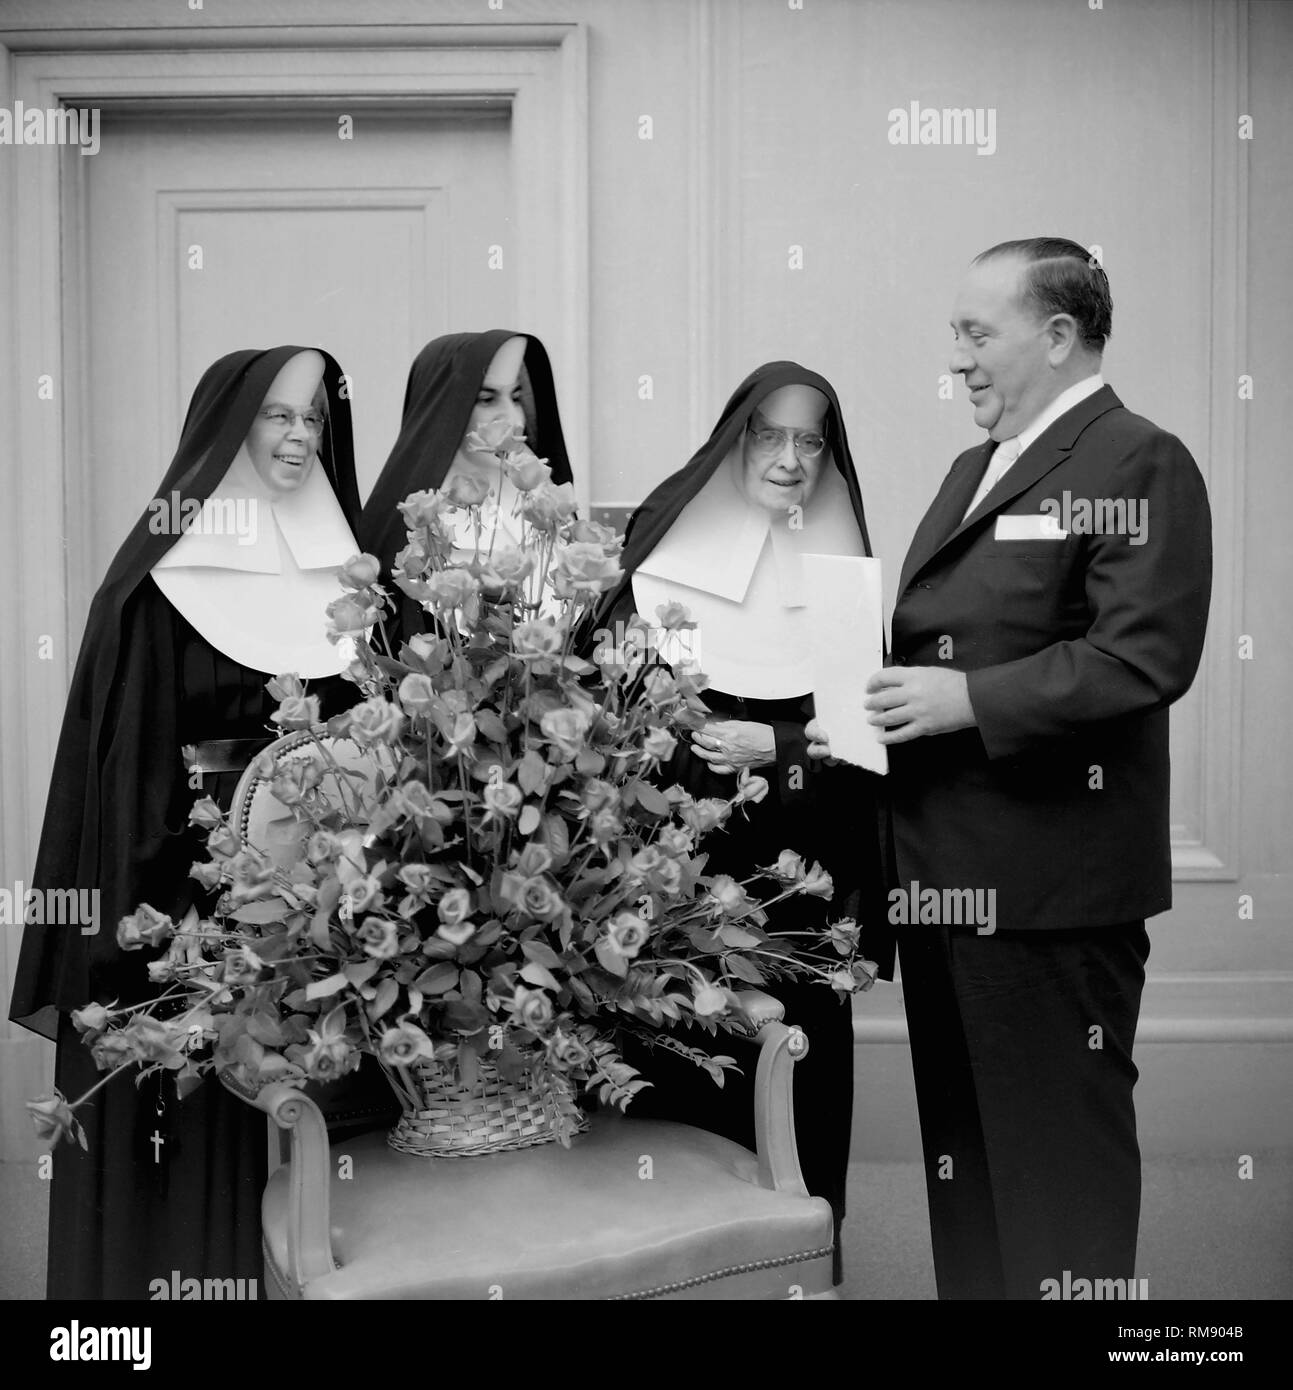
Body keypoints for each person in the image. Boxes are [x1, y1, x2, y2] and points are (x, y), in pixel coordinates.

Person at [813, 238, 1212, 1299]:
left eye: (976, 332)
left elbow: (1143, 657)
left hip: (1049, 896)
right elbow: (953, 640)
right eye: (956, 334)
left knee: (1054, 1178)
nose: (958, 357)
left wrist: (965, 701)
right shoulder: (969, 468)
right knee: (971, 1170)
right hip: (945, 884)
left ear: (1059, 333)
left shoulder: (1138, 459)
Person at [10, 346, 367, 1299]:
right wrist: (195, 906)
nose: (298, 438)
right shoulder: (157, 586)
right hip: (188, 905)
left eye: (311, 420)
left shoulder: (350, 575)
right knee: (193, 1138)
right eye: (275, 418)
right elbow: (126, 782)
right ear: (227, 429)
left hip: (326, 911)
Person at [589, 361, 888, 1284]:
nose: (792, 459)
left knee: (801, 1087)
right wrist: (702, 748)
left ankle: (799, 1272)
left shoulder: (840, 578)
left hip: (800, 887)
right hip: (678, 882)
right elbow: (643, 725)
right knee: (674, 1085)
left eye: (811, 440)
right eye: (771, 435)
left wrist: (779, 747)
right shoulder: (673, 569)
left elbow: (864, 755)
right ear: (735, 439)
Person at [359, 330, 575, 644]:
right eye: (487, 399)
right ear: (448, 409)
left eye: (516, 397)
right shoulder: (413, 528)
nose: (513, 418)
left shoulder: (549, 494)